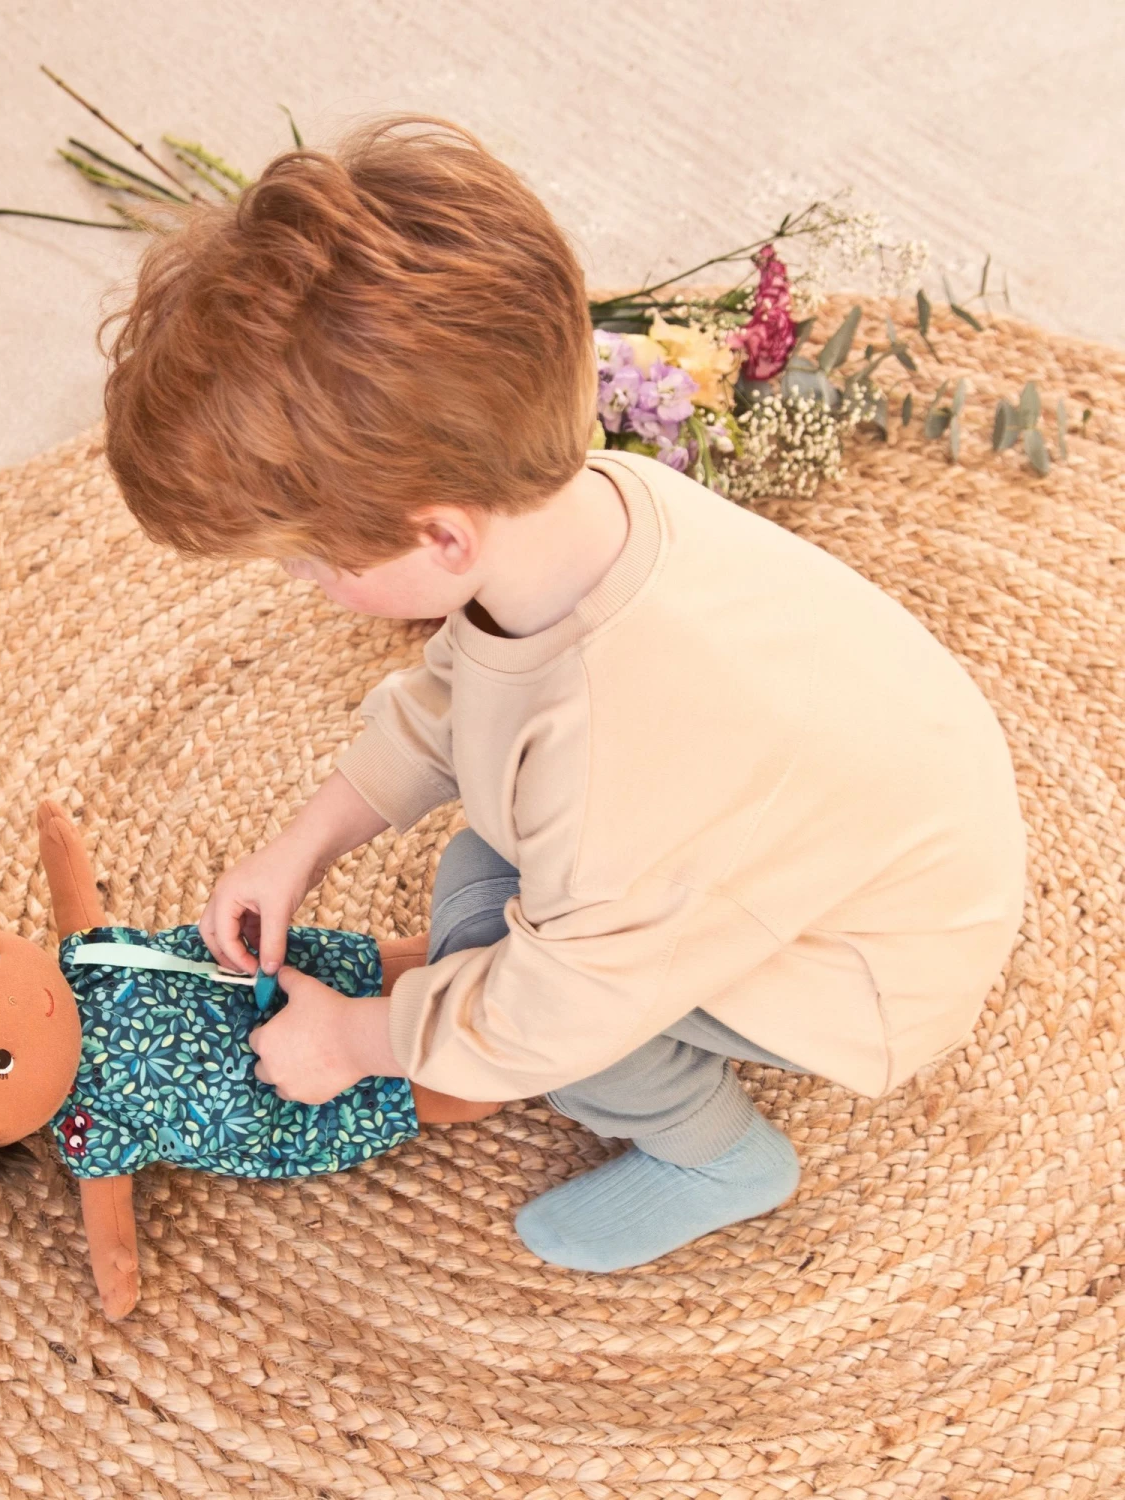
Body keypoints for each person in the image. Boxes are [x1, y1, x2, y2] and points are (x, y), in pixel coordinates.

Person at [99, 115, 1027, 1272]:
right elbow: (456, 689)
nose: (301, 585)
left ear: (440, 537)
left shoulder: (611, 754)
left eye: (308, 561)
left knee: (542, 997)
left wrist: (355, 1041)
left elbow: (555, 1015)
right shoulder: (581, 513)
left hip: (865, 963)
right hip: (868, 817)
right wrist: (304, 845)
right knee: (478, 887)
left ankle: (720, 1158)